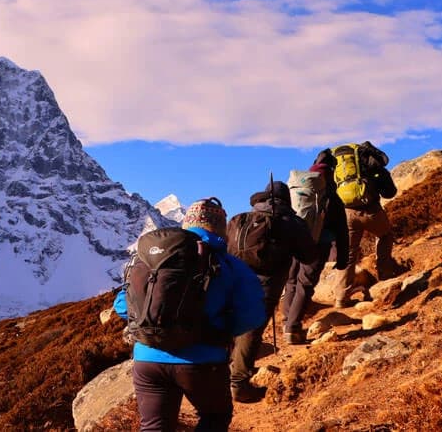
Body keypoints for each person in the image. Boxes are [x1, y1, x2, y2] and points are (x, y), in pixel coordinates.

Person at [114, 198, 265, 432]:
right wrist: (221, 331)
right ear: (221, 228)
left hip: (148, 359)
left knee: (154, 427)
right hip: (203, 361)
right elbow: (253, 316)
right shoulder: (230, 265)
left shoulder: (150, 260)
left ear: (186, 224)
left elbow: (122, 307)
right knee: (214, 418)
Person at [227, 180, 321, 402]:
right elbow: (308, 256)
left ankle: (218, 375)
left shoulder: (240, 219)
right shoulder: (290, 221)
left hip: (232, 278)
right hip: (266, 283)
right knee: (251, 331)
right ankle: (238, 384)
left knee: (229, 325)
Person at [280, 149, 349, 344]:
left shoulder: (299, 188)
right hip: (319, 245)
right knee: (305, 284)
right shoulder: (331, 197)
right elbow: (342, 230)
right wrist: (342, 258)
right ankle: (293, 328)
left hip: (295, 241)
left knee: (291, 281)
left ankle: (287, 321)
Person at [334, 141, 399, 308]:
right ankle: (385, 276)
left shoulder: (336, 165)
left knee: (348, 253)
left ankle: (341, 298)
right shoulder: (369, 161)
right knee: (385, 235)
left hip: (346, 213)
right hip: (370, 210)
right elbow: (390, 192)